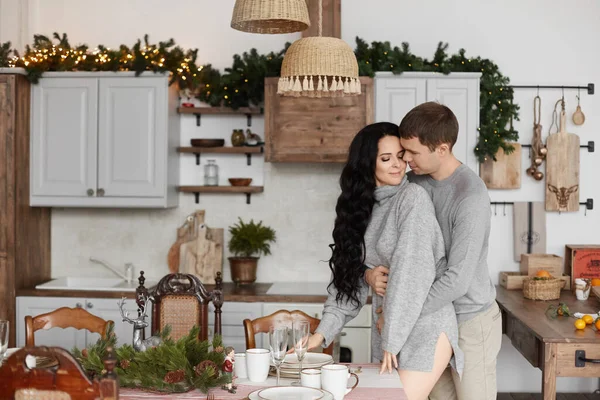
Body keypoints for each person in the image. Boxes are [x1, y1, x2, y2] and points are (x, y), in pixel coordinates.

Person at [308, 122, 463, 400]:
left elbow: (410, 275)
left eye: (401, 156)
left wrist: (391, 338)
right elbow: (348, 278)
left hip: (425, 326)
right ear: (368, 164)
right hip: (389, 323)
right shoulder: (361, 209)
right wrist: (319, 336)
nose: (398, 165)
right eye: (386, 158)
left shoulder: (412, 199)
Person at [365, 102, 502, 400]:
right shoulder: (414, 182)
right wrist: (367, 273)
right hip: (430, 321)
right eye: (403, 152)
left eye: (412, 153)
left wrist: (398, 314)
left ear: (441, 149)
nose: (405, 160)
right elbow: (382, 239)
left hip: (470, 320)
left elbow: (457, 279)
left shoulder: (470, 196)